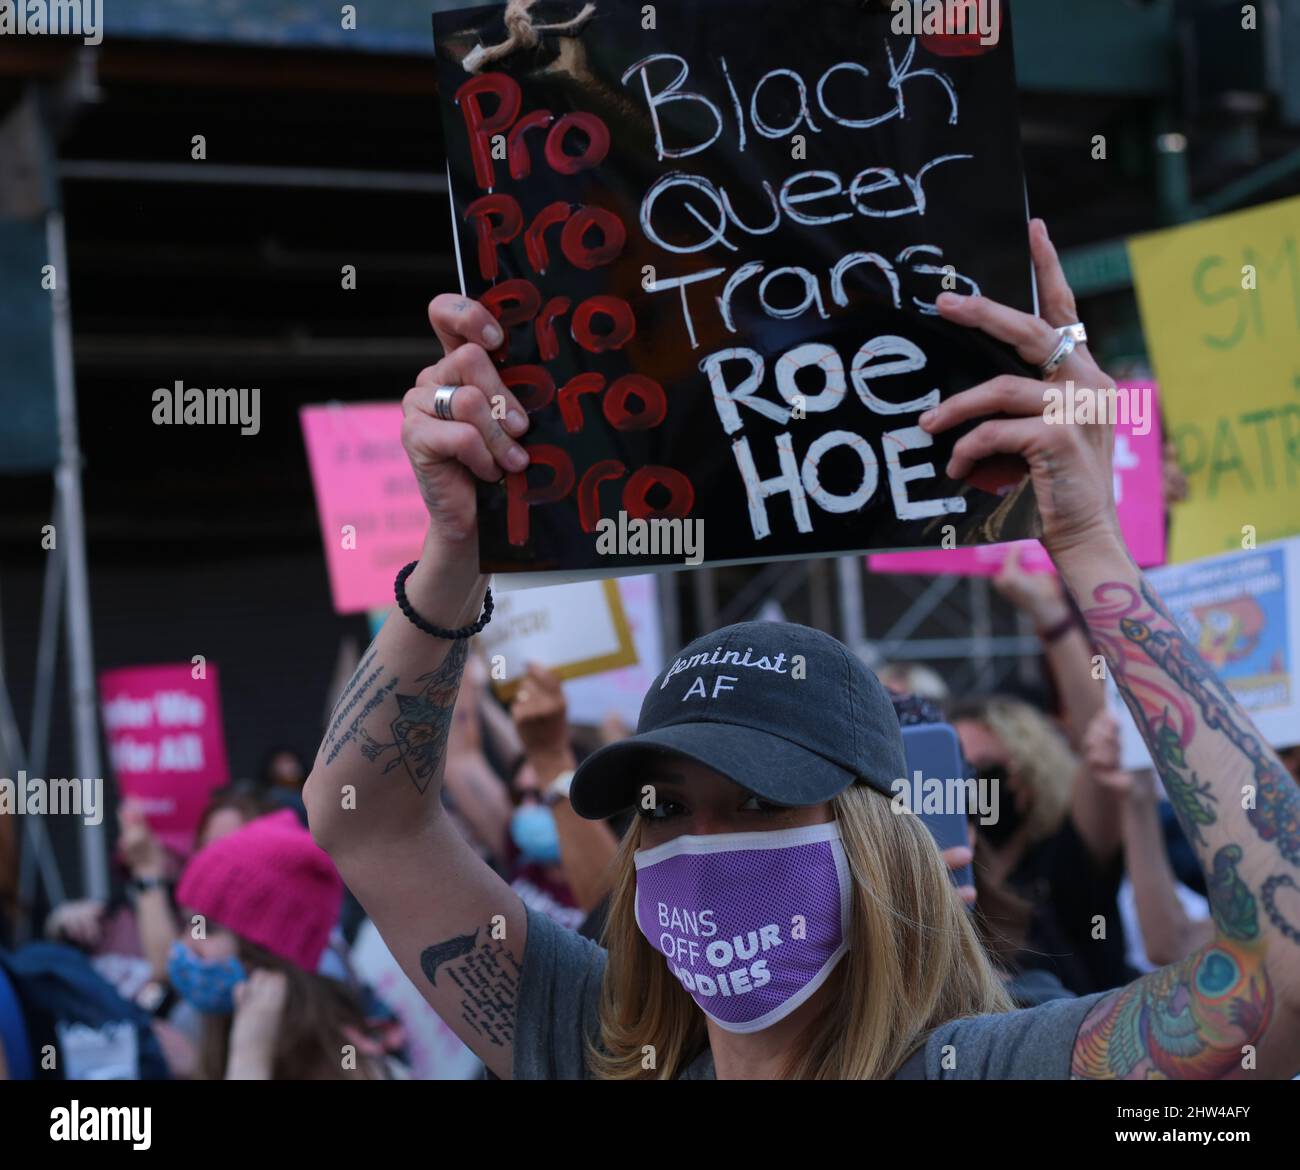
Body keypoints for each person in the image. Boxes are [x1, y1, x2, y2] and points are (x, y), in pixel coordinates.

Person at [303, 219, 1300, 1079]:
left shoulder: (984, 1065)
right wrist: (455, 552)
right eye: (665, 808)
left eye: (760, 801)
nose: (702, 846)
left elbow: (1282, 981)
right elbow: (367, 820)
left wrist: (1090, 543)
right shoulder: (603, 1052)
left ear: (876, 836)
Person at [170, 809, 394, 1079]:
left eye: (208, 928)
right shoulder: (217, 1024)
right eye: (187, 923)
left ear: (269, 952)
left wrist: (249, 1060)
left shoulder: (349, 1064)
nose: (186, 944)